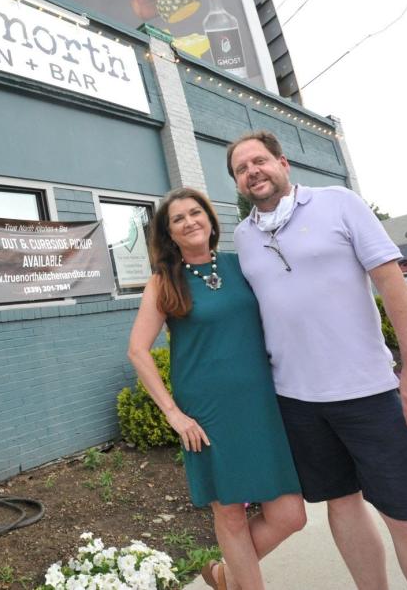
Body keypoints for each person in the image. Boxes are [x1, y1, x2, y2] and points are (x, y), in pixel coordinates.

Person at [227, 130, 407, 590]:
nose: (252, 171)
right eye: (241, 168)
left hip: (368, 393)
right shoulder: (244, 236)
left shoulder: (339, 203)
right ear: (238, 183)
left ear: (283, 164)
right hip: (296, 400)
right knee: (341, 504)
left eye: (259, 161)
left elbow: (392, 283)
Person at [127, 187, 305, 590]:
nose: (190, 222)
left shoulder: (241, 264)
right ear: (169, 234)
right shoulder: (163, 282)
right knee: (230, 514)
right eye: (178, 219)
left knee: (290, 514)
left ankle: (226, 576)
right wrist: (173, 414)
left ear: (209, 219)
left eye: (196, 213)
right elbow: (137, 350)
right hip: (207, 412)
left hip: (261, 405)